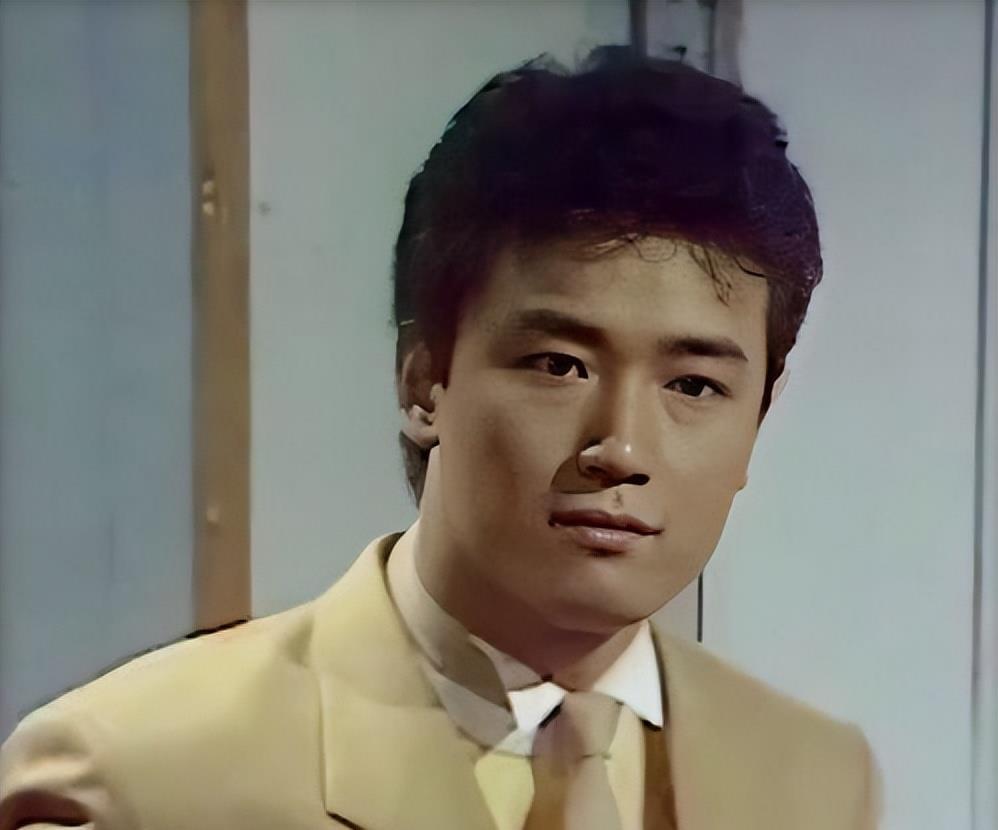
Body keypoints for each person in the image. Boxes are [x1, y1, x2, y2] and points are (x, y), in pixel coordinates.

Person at [0, 47, 879, 829]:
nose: (621, 449)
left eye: (693, 386)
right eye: (559, 365)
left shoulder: (813, 782)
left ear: (757, 417)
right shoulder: (143, 782)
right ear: (424, 380)